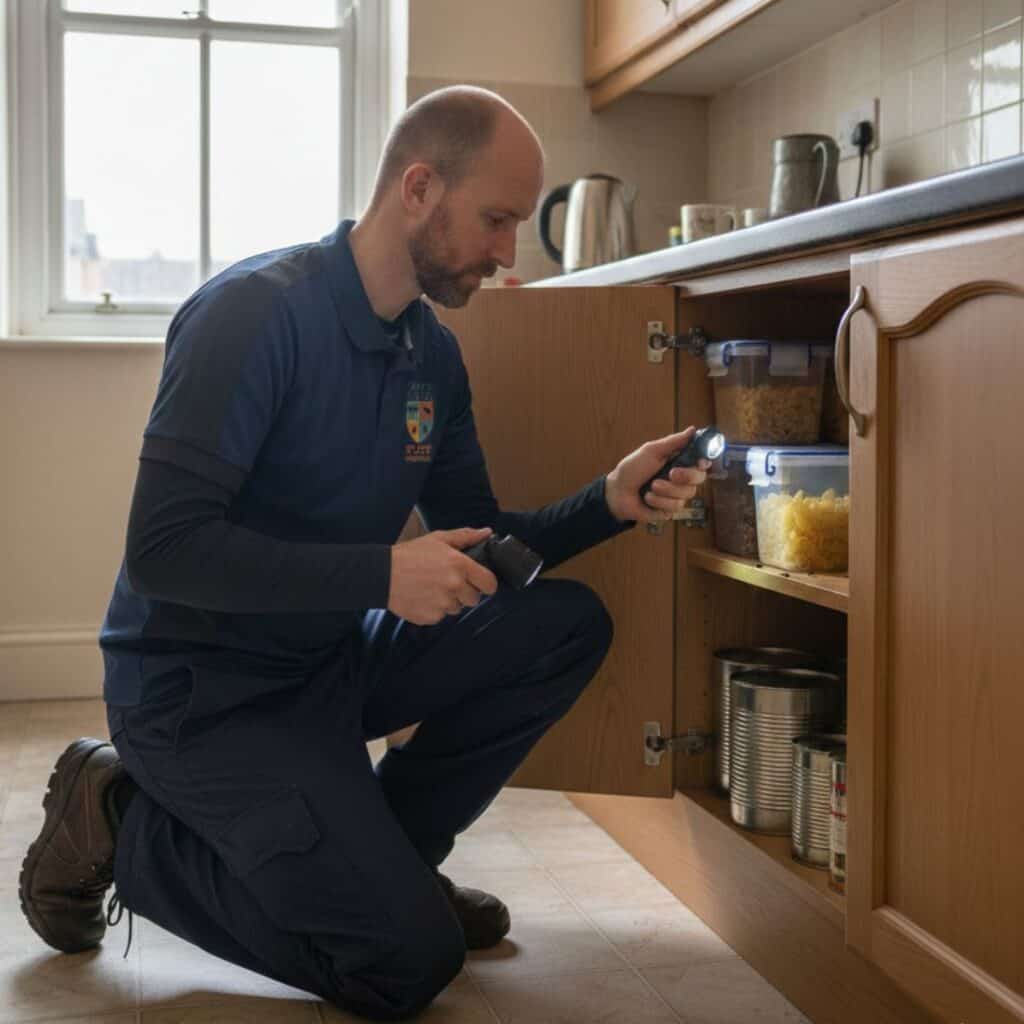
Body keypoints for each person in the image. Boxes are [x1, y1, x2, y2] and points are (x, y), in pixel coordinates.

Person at [18, 85, 709, 1020]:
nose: (510, 253)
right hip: (198, 696)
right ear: (418, 188)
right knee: (402, 965)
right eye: (497, 219)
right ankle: (116, 817)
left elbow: (479, 545)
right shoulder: (250, 317)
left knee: (559, 623)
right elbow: (164, 552)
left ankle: (395, 861)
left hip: (326, 661)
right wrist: (385, 575)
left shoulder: (431, 354)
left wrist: (611, 501)